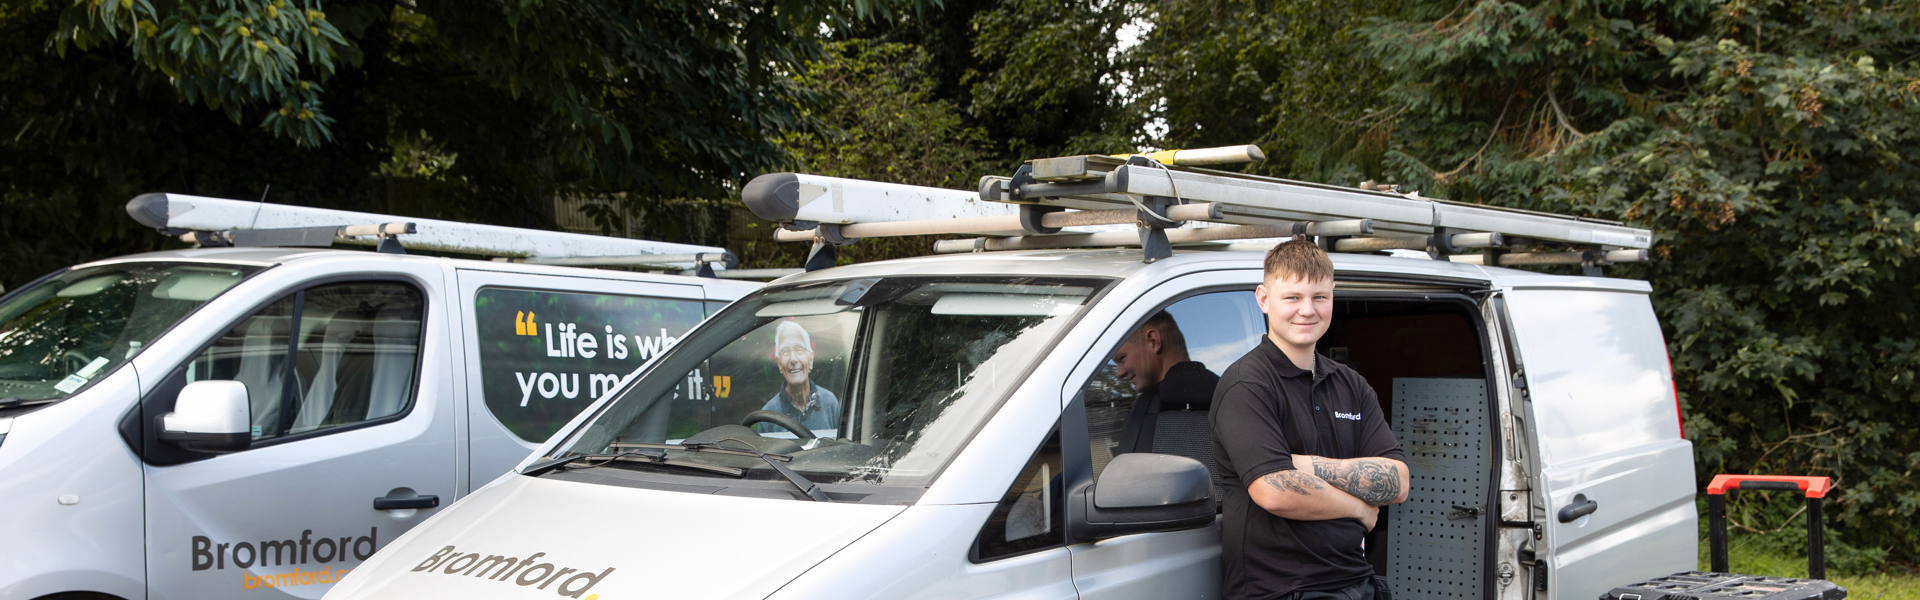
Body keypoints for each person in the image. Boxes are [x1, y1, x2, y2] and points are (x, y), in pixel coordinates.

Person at [1211, 238, 1411, 600]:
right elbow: (1273, 491)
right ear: (1263, 299)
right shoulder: (1247, 384)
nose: (1307, 310)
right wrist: (1357, 508)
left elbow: (1397, 481)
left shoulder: (1351, 384)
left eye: (1320, 297)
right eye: (1292, 297)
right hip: (1283, 589)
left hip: (1358, 581)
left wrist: (1303, 466)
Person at [1110, 310, 1220, 455]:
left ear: (1153, 341)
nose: (1119, 373)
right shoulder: (1226, 395)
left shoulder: (1147, 412)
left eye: (1122, 358)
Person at [757, 319, 841, 435]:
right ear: (779, 364)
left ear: (810, 359)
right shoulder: (768, 415)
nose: (793, 359)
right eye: (785, 352)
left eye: (799, 350)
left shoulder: (829, 403)